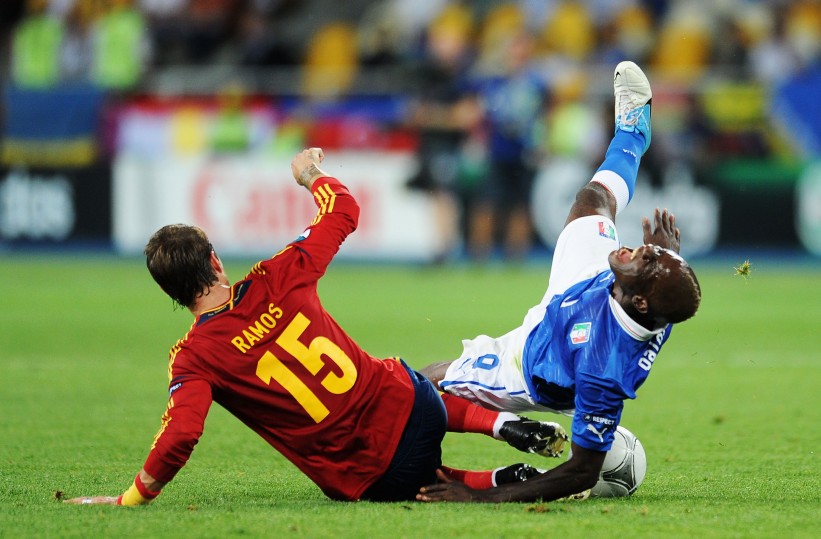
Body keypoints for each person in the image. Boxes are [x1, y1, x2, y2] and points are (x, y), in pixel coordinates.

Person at [64, 147, 569, 507]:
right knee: (405, 377)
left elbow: (181, 435)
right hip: (418, 406)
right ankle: (501, 425)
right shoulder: (276, 274)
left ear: (170, 293)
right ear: (216, 262)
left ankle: (497, 479)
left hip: (375, 472)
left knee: (411, 478)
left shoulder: (194, 357)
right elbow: (344, 211)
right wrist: (311, 175)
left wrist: (133, 496)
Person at [417, 61, 702, 503]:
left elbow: (582, 472)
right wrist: (664, 256)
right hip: (587, 284)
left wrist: (481, 499)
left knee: (434, 383)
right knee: (594, 199)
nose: (634, 248)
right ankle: (633, 132)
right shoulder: (644, 293)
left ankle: (377, 392)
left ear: (641, 301)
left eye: (644, 260)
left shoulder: (605, 369)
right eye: (646, 250)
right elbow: (668, 293)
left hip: (534, 360)